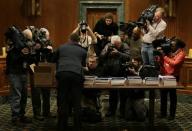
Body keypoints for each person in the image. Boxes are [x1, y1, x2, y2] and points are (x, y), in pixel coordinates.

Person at [48, 33, 87, 131]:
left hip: (62, 74)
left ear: (69, 39)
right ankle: (77, 126)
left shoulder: (61, 47)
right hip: (76, 75)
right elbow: (83, 65)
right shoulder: (83, 50)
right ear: (79, 41)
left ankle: (61, 126)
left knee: (62, 100)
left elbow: (52, 60)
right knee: (77, 101)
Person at [6, 28, 33, 125]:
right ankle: (15, 117)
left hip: (23, 73)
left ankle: (21, 115)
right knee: (16, 96)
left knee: (24, 96)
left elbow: (28, 59)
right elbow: (13, 59)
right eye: (28, 39)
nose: (28, 41)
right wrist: (22, 53)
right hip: (15, 73)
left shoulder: (24, 46)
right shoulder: (13, 46)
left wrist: (28, 53)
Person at [100, 35, 130, 117]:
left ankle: (122, 111)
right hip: (111, 72)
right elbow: (101, 56)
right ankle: (111, 111)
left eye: (118, 43)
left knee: (123, 94)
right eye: (115, 44)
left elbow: (128, 57)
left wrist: (118, 53)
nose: (117, 45)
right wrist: (107, 51)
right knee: (112, 94)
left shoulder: (125, 45)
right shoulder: (108, 45)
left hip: (122, 72)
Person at [30, 27, 55, 121]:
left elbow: (52, 59)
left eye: (47, 37)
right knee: (36, 94)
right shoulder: (34, 44)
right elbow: (30, 60)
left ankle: (46, 112)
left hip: (45, 69)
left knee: (46, 93)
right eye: (46, 37)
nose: (47, 39)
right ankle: (37, 114)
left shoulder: (49, 44)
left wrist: (51, 51)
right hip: (35, 70)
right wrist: (34, 71)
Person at [159, 38, 186, 120]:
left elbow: (174, 63)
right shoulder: (170, 52)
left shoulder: (181, 54)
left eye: (173, 45)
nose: (171, 46)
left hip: (173, 77)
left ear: (178, 46)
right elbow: (163, 62)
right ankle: (163, 113)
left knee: (172, 96)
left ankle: (171, 115)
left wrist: (164, 57)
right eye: (171, 45)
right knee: (163, 96)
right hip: (164, 75)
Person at [124, 57, 147, 121]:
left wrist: (135, 73)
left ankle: (145, 109)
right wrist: (127, 70)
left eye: (135, 62)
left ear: (139, 62)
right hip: (131, 93)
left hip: (139, 94)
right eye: (132, 62)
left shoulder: (144, 69)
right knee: (128, 117)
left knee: (141, 118)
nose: (133, 63)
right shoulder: (132, 68)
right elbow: (126, 78)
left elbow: (143, 80)